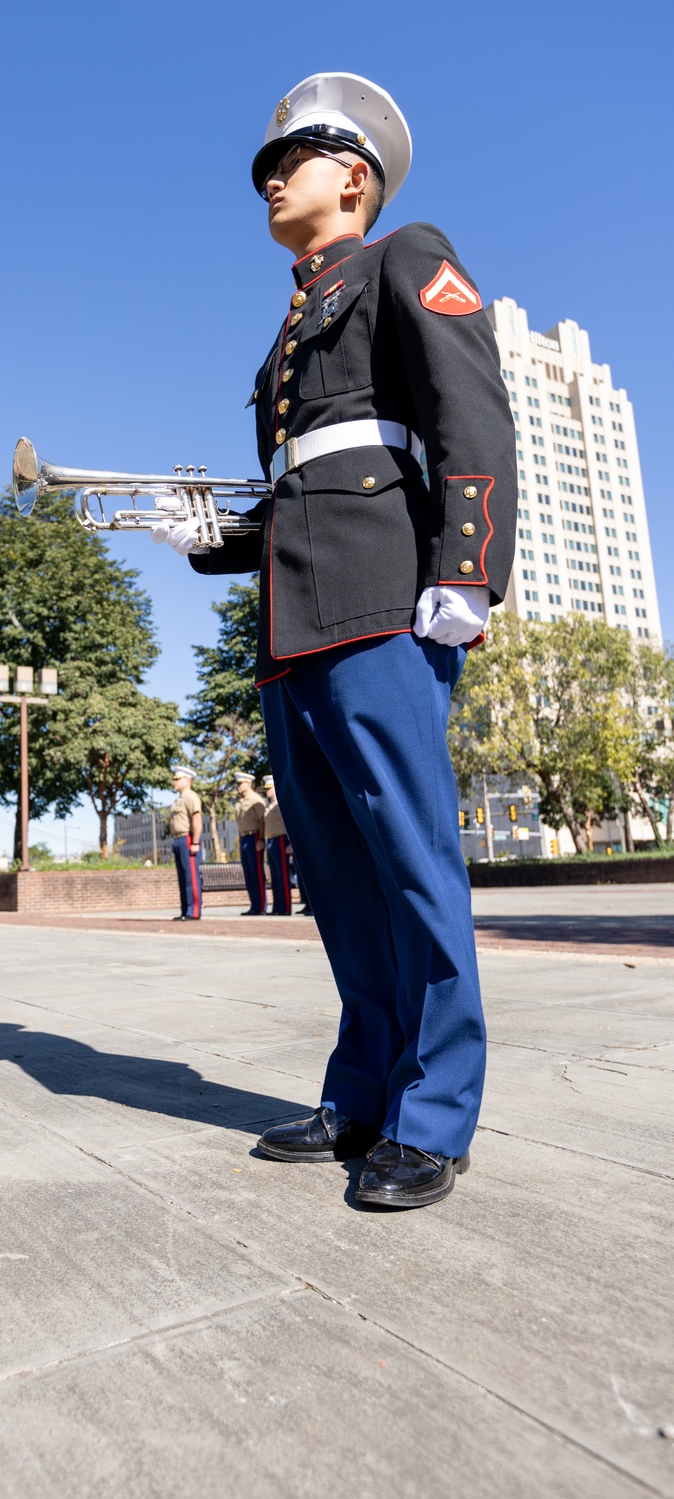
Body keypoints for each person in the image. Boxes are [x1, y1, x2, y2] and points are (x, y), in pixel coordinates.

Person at [155, 74, 516, 1208]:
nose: (270, 180)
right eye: (267, 168)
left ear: (351, 177)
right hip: (292, 619)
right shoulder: (283, 336)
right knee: (337, 878)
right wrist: (208, 539)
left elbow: (471, 408)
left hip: (381, 601)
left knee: (409, 858)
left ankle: (435, 1110)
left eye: (289, 163)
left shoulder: (406, 253)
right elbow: (296, 490)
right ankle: (362, 1087)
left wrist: (466, 570)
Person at [169, 765, 202, 920]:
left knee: (191, 877)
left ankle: (193, 911)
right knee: (183, 878)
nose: (174, 782)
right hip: (178, 840)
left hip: (187, 839)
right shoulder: (179, 799)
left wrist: (195, 842)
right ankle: (185, 910)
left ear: (187, 780)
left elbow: (196, 819)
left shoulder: (190, 797)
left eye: (178, 778)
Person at [233, 771, 266, 915]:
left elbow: (262, 820)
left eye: (240, 783)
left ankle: (261, 906)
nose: (238, 786)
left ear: (248, 783)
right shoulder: (240, 801)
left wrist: (261, 839)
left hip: (254, 836)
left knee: (257, 873)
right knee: (248, 873)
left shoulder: (255, 799)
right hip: (244, 837)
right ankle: (254, 904)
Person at [263, 776, 292, 916]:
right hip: (271, 840)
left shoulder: (282, 803)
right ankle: (277, 907)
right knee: (274, 877)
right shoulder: (268, 806)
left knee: (282, 875)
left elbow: (290, 824)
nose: (267, 791)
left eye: (269, 788)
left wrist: (291, 843)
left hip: (281, 840)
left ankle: (285, 906)